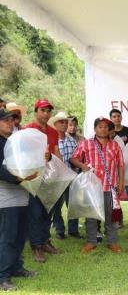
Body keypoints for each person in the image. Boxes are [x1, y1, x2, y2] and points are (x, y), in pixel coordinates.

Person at [70, 117, 125, 254]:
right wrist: (82, 165)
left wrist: (121, 182)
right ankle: (91, 241)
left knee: (111, 216)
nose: (103, 129)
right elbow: (73, 158)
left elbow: (121, 165)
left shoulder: (115, 145)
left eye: (106, 127)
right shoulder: (86, 143)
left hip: (110, 186)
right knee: (91, 216)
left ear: (109, 129)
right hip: (91, 187)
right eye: (100, 126)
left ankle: (112, 242)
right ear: (95, 129)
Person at [0, 109, 38, 291]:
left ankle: (16, 267)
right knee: (8, 238)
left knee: (20, 235)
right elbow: (2, 172)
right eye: (6, 120)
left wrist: (42, 159)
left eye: (12, 120)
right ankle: (3, 277)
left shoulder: (12, 142)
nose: (11, 123)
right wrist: (20, 178)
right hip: (6, 198)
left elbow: (26, 162)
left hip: (22, 195)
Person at [24, 99, 62, 263]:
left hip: (50, 177)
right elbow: (22, 154)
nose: (46, 114)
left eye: (48, 111)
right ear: (36, 112)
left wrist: (59, 169)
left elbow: (55, 153)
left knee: (48, 211)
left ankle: (46, 242)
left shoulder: (53, 132)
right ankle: (36, 247)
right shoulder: (28, 130)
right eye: (42, 111)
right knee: (35, 213)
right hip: (33, 177)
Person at [47, 112, 81, 239]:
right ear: (54, 124)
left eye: (65, 122)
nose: (64, 124)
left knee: (73, 203)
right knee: (56, 205)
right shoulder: (50, 140)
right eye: (61, 122)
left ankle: (73, 230)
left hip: (72, 176)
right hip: (56, 178)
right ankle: (59, 230)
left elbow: (77, 158)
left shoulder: (72, 141)